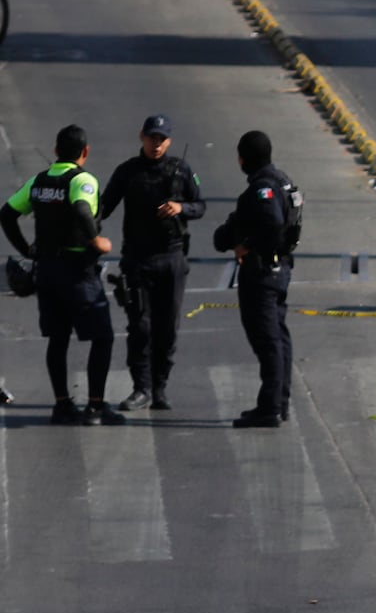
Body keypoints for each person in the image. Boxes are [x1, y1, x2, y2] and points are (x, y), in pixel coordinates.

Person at [3, 125, 121, 424]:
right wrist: (97, 241)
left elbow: (6, 214)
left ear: (55, 151)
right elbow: (82, 210)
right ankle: (95, 406)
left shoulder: (39, 181)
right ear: (85, 152)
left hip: (47, 271)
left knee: (58, 339)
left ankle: (62, 404)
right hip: (77, 271)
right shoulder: (82, 180)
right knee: (102, 337)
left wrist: (27, 249)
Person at [98, 113, 204, 411]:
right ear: (141, 137)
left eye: (161, 139)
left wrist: (180, 207)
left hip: (171, 257)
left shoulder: (181, 170)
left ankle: (160, 388)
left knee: (166, 327)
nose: (156, 144)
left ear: (168, 141)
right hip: (137, 260)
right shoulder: (128, 171)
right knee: (140, 327)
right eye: (151, 138)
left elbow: (200, 206)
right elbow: (103, 207)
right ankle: (140, 387)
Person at [211, 131, 302, 429]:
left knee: (267, 340)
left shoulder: (263, 189)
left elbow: (273, 222)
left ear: (243, 158)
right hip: (280, 269)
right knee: (279, 338)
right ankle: (279, 402)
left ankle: (270, 407)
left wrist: (247, 245)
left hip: (263, 273)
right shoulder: (281, 180)